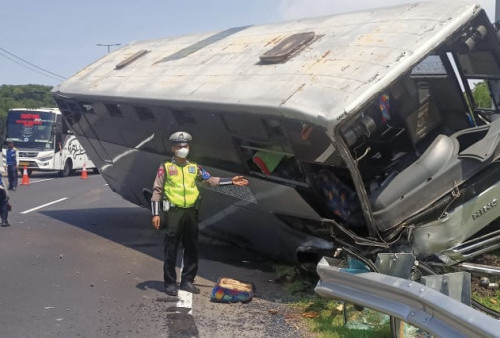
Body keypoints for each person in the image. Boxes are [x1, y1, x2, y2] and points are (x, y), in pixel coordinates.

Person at [151, 131, 249, 296]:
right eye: (180, 146)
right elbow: (157, 190)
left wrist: (231, 181)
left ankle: (187, 281)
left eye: (186, 146)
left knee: (192, 247)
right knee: (171, 248)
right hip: (173, 212)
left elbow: (210, 180)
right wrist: (155, 214)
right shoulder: (166, 167)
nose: (183, 149)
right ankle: (169, 283)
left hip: (191, 212)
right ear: (173, 148)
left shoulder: (193, 167)